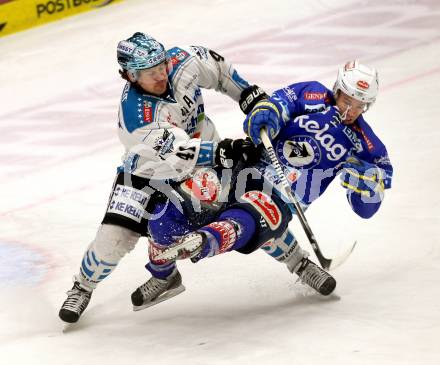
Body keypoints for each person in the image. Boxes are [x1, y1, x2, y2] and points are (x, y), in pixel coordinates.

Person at [129, 60, 393, 310]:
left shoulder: (367, 146)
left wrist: (368, 185)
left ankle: (206, 241)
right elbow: (273, 105)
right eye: (347, 100)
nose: (350, 111)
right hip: (245, 167)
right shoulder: (312, 93)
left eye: (359, 106)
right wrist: (266, 116)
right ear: (337, 90)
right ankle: (164, 276)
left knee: (247, 219)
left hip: (282, 197)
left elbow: (366, 208)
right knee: (166, 213)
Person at [58, 32, 266, 323]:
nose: (160, 76)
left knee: (246, 205)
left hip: (202, 166)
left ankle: (297, 260)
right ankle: (83, 286)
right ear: (130, 75)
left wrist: (248, 95)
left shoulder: (185, 61)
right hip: (146, 172)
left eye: (161, 66)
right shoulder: (136, 116)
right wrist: (222, 150)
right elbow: (180, 149)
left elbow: (220, 72)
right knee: (113, 239)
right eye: (149, 72)